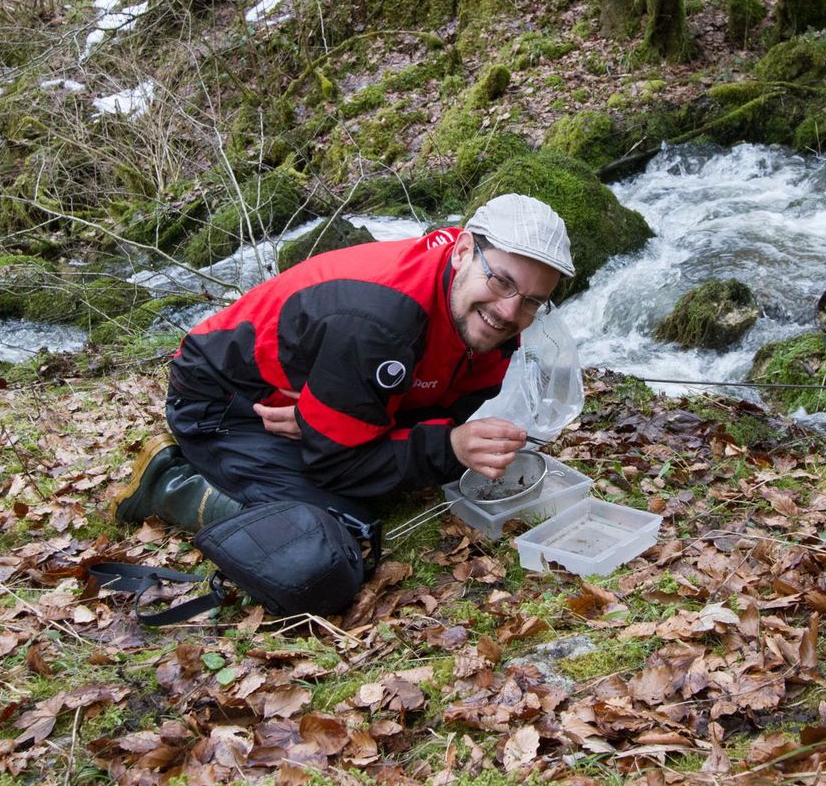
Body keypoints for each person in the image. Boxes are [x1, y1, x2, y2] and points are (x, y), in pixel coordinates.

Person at [109, 193, 574, 532]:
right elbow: (340, 464)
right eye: (501, 282)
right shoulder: (380, 320)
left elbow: (442, 407)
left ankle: (328, 425)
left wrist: (346, 414)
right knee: (340, 533)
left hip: (325, 384)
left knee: (387, 480)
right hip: (227, 398)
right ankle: (171, 484)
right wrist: (447, 447)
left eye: (533, 300)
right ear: (464, 251)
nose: (510, 313)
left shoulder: (493, 317)